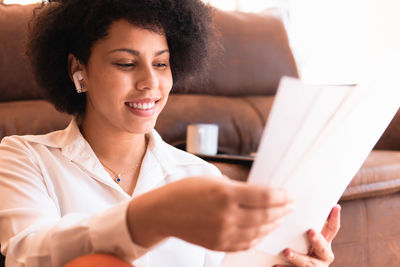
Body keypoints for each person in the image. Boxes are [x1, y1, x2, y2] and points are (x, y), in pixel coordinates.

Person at [0, 0, 340, 266]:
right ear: (79, 70)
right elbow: (27, 255)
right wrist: (150, 218)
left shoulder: (203, 176)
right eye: (126, 63)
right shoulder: (25, 158)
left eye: (161, 63)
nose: (150, 82)